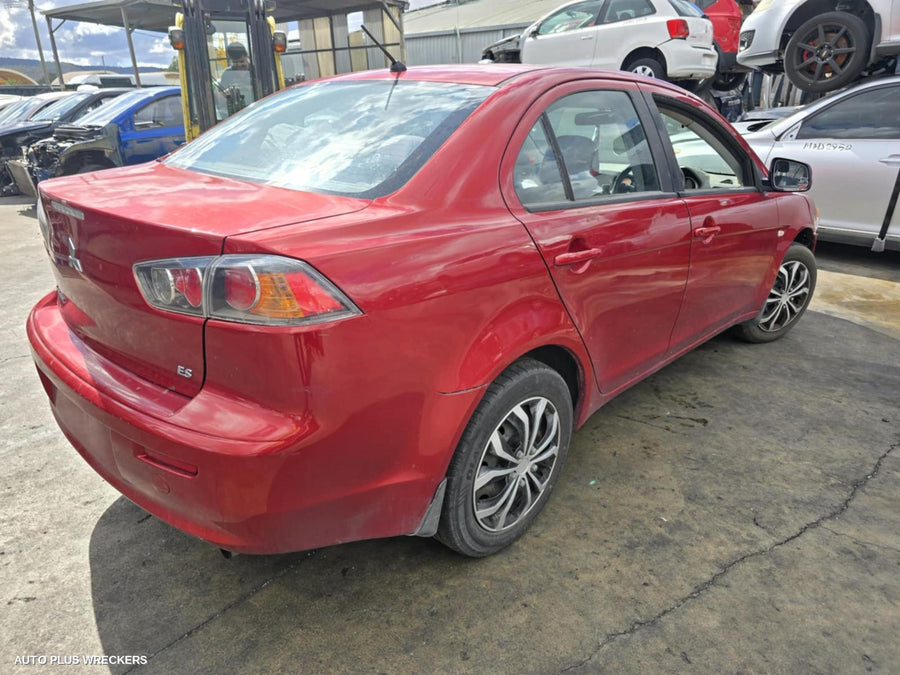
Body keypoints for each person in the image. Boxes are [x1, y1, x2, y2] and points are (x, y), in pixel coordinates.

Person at [218, 42, 254, 113]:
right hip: (234, 111)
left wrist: (248, 87)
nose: (239, 65)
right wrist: (227, 93)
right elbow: (220, 96)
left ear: (246, 56)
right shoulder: (227, 74)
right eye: (235, 62)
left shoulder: (256, 71)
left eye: (242, 61)